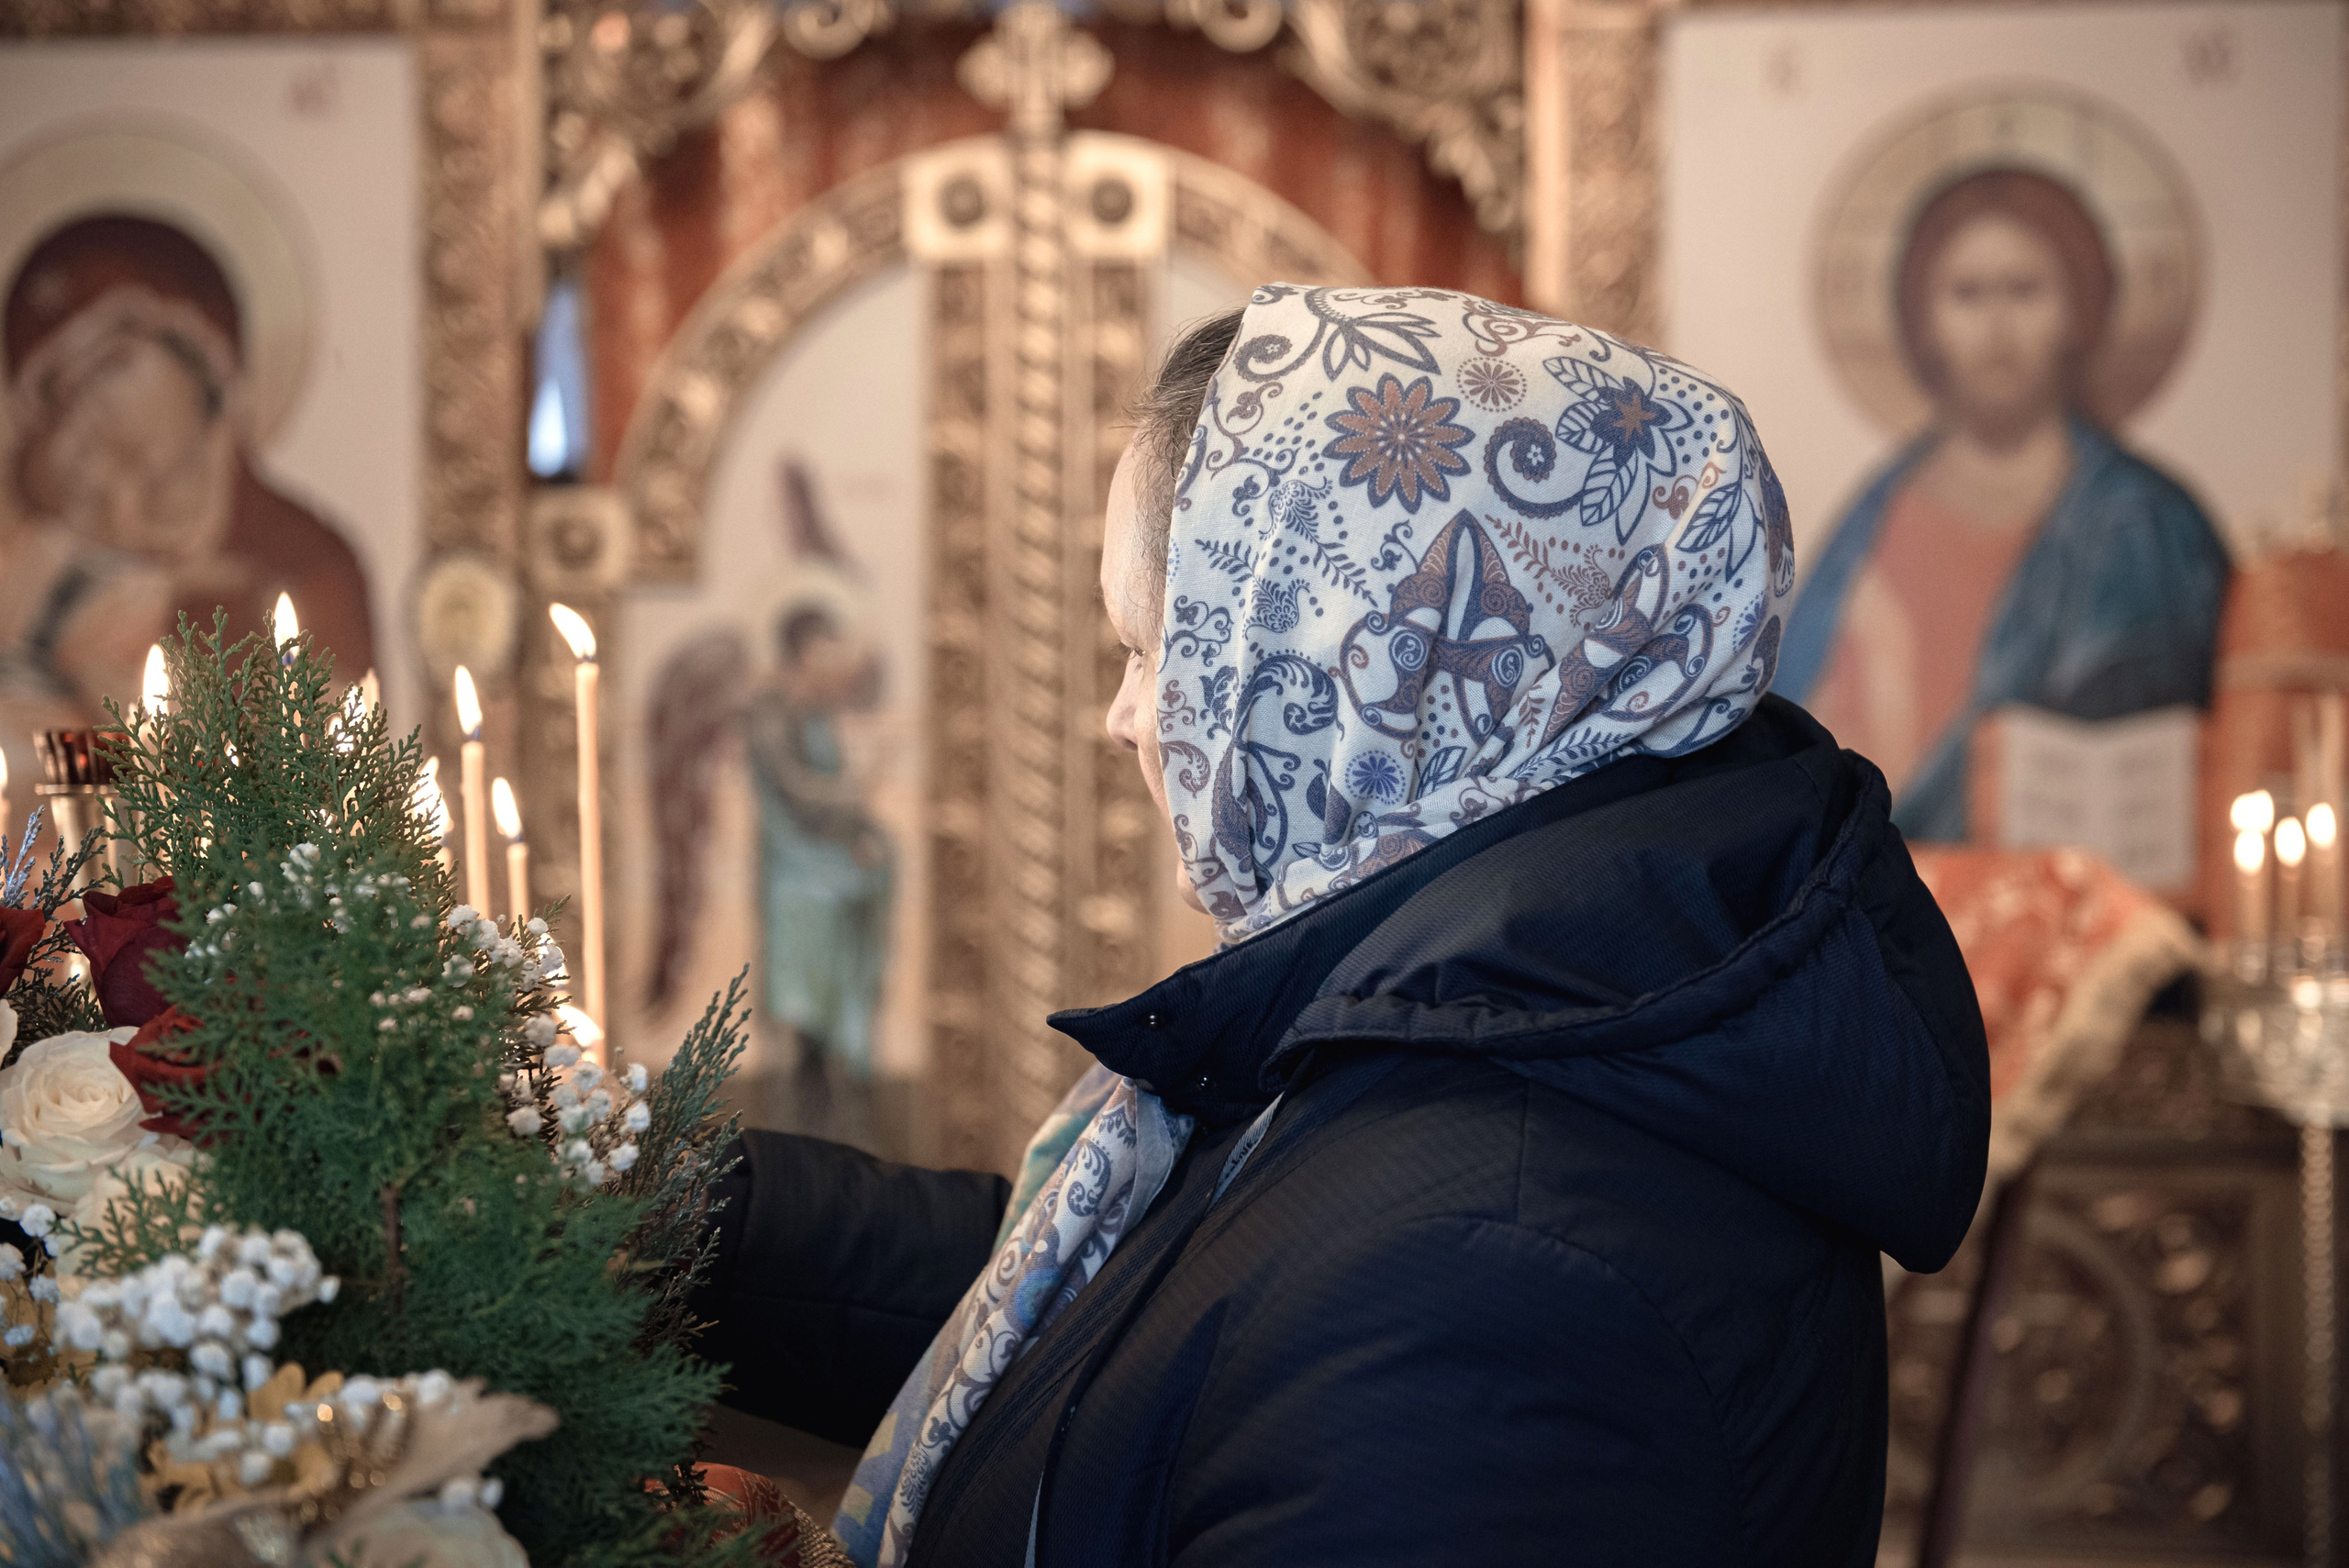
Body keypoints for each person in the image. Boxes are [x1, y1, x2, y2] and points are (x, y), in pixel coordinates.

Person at [690, 285, 1990, 1567]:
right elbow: (1131, 1321)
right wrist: (661, 1204)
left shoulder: (1497, 1271)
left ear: (1343, 668)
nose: (1123, 717)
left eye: (1152, 651)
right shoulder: (1519, 988)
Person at [1777, 169, 2230, 841]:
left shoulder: (2143, 522)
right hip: (1873, 883)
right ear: (1923, 319)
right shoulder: (1878, 512)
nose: (1997, 326)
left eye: (2024, 290)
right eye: (1968, 294)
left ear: (2079, 310)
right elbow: (1795, 731)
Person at [0, 214, 375, 743]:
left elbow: (328, 776)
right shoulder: (29, 562)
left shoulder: (303, 566)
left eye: (115, 363)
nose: (126, 506)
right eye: (66, 388)